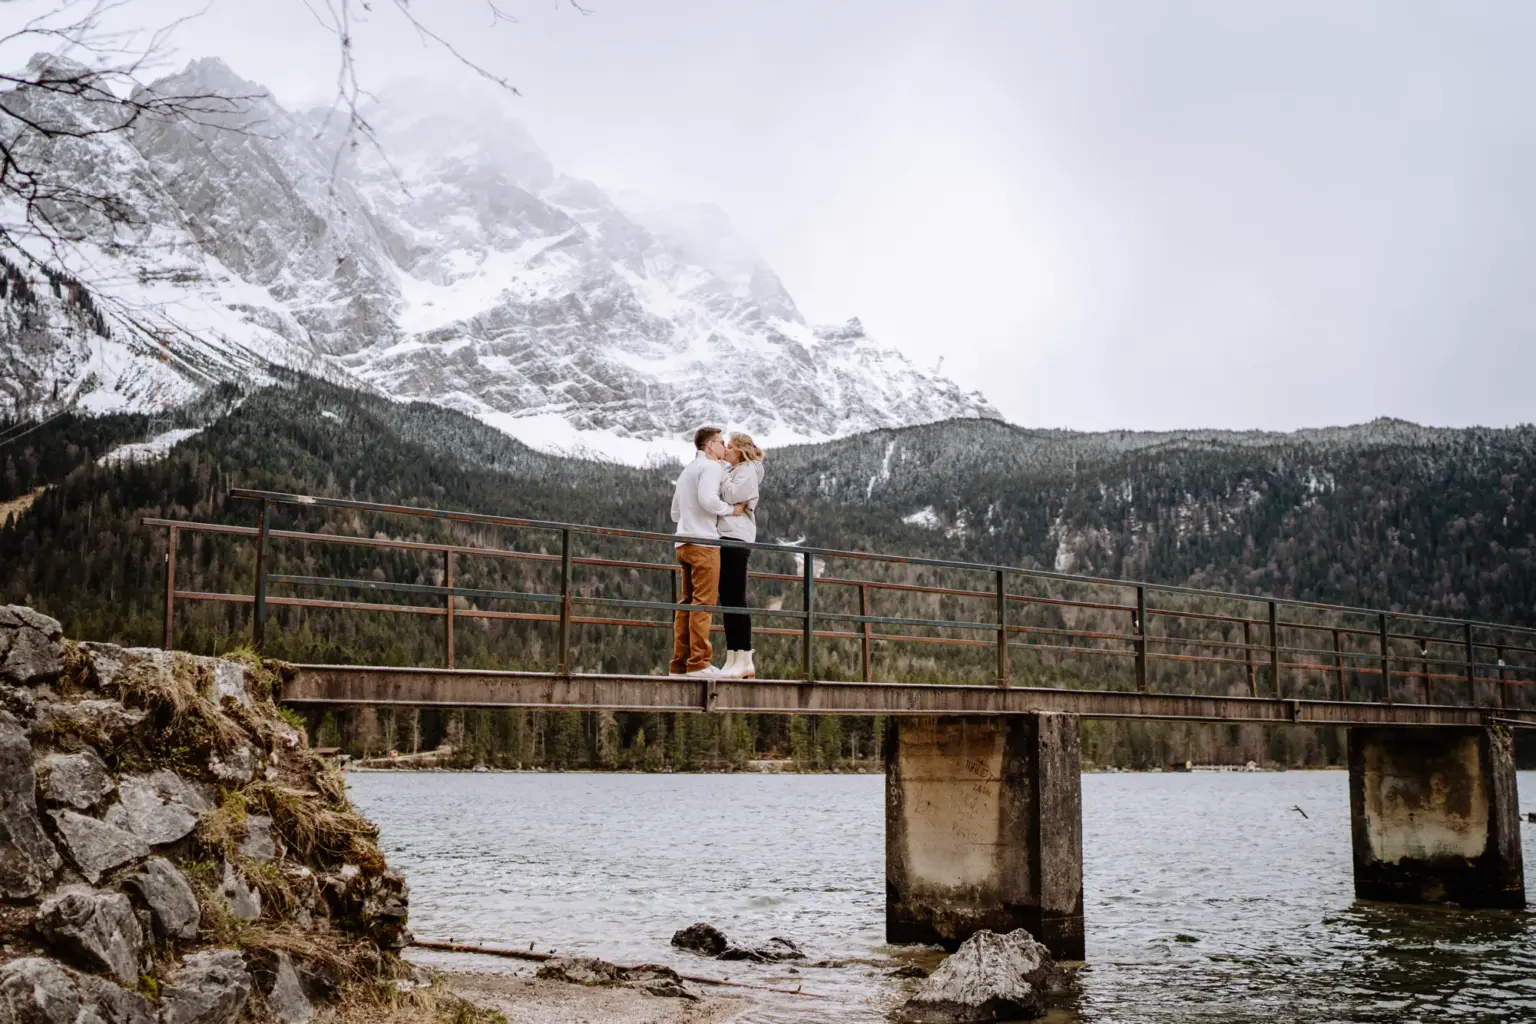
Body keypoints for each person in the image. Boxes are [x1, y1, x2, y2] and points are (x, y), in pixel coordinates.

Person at [669, 426, 733, 676]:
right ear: (709, 446)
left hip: (683, 542)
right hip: (704, 544)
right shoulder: (711, 467)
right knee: (703, 604)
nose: (725, 447)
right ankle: (698, 663)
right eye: (721, 442)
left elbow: (675, 512)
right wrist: (730, 510)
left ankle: (679, 664)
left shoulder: (687, 471)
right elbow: (709, 500)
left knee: (686, 603)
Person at [717, 433, 765, 679]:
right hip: (729, 536)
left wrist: (720, 475)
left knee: (736, 597)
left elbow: (731, 496)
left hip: (736, 537)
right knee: (728, 598)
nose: (726, 449)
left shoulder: (746, 471)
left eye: (731, 447)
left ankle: (744, 656)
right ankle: (733, 657)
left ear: (741, 451)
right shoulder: (737, 470)